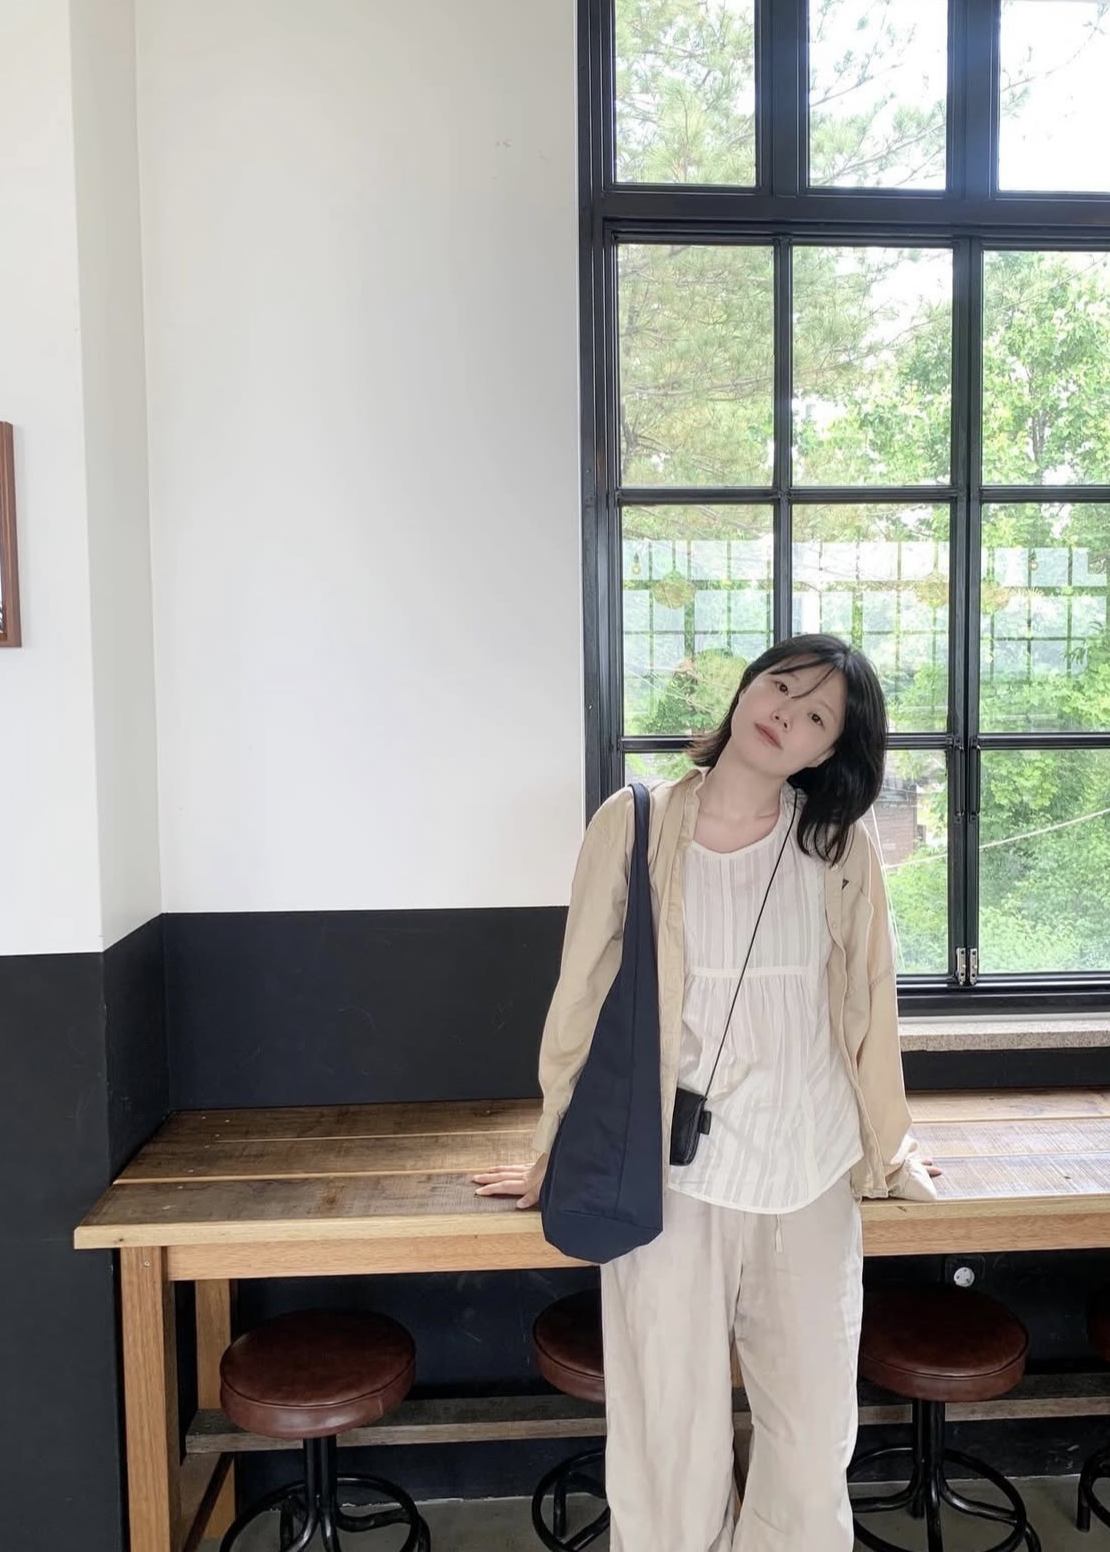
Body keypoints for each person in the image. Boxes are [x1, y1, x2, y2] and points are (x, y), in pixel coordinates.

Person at [474, 633, 938, 1552]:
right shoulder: (635, 821)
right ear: (748, 687)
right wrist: (555, 1144)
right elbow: (582, 994)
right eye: (783, 685)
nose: (787, 713)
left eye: (817, 715)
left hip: (808, 1169)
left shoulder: (837, 845)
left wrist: (889, 1146)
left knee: (810, 1441)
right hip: (669, 1176)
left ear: (828, 751)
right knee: (668, 1438)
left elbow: (868, 1000)